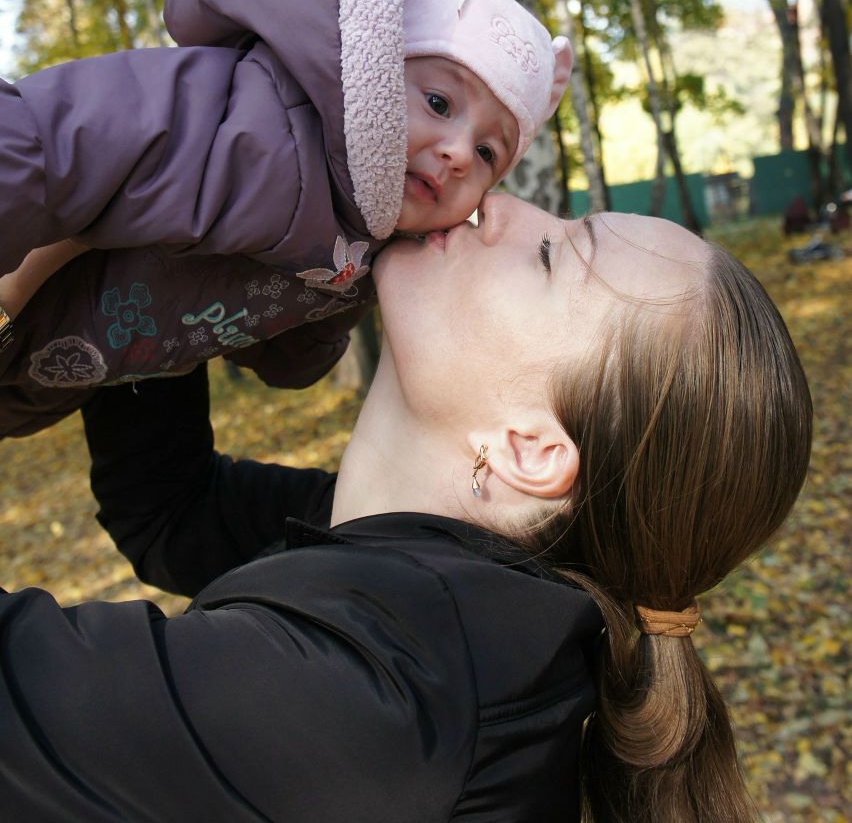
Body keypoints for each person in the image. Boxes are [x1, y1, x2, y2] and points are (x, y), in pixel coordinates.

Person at [0, 194, 812, 822]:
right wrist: (149, 250)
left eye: (548, 256)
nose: (497, 203)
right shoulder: (453, 599)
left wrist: (24, 263)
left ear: (530, 449)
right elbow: (174, 509)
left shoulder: (390, 699)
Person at [0, 0, 571, 435]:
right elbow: (53, 140)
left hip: (46, 380)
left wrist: (321, 333)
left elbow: (281, 354)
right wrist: (12, 292)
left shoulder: (374, 239)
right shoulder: (256, 124)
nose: (457, 156)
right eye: (440, 102)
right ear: (370, 66)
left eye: (488, 152)